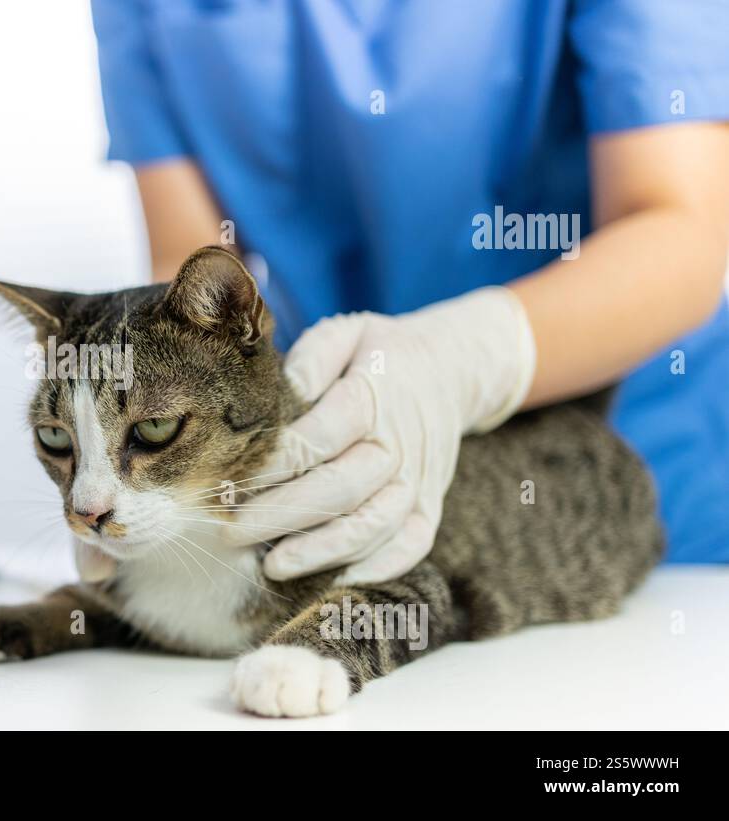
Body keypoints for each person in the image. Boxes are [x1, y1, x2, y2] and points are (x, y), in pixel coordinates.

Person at [76, 0, 729, 584]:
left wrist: (460, 361)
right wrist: (149, 474)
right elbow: (189, 276)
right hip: (348, 469)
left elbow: (680, 228)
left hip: (628, 488)